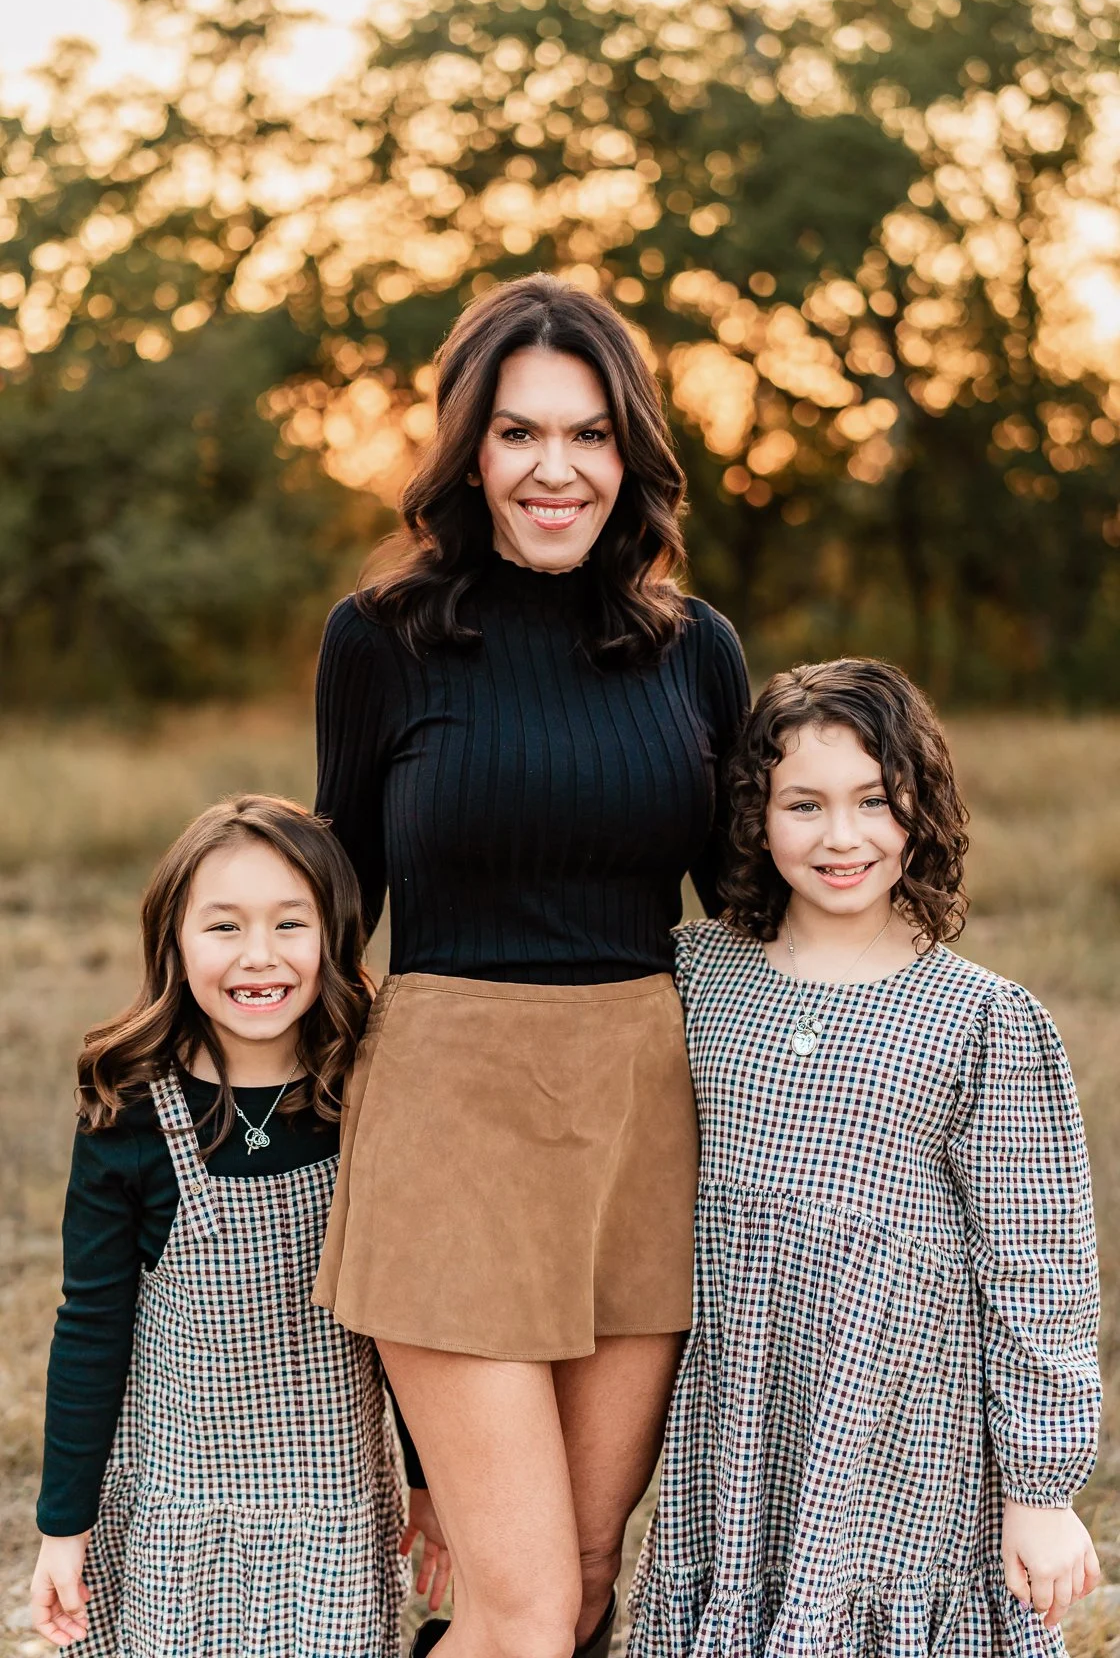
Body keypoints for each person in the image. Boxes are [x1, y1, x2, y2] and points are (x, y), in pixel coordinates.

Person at [312, 272, 750, 1658]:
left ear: (633, 455)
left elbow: (748, 913)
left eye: (590, 435)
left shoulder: (698, 654)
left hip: (640, 1124)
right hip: (450, 1119)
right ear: (468, 451)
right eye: (518, 434)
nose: (555, 469)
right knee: (521, 1604)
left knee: (587, 1571)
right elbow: (338, 905)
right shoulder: (381, 639)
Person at [628, 658, 1102, 1657]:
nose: (840, 837)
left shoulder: (982, 1018)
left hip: (898, 1415)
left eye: (873, 803)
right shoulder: (693, 971)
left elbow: (1035, 1263)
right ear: (755, 817)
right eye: (803, 804)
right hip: (740, 1400)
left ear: (918, 810)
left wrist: (1040, 1490)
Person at [30, 795, 414, 1656]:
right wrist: (63, 1528)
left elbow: (406, 1322)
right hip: (179, 1512)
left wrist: (426, 1486)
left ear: (336, 935)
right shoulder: (132, 1114)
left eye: (290, 924)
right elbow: (91, 1325)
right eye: (224, 927)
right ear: (173, 939)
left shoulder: (365, 1096)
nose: (259, 957)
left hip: (331, 1508)